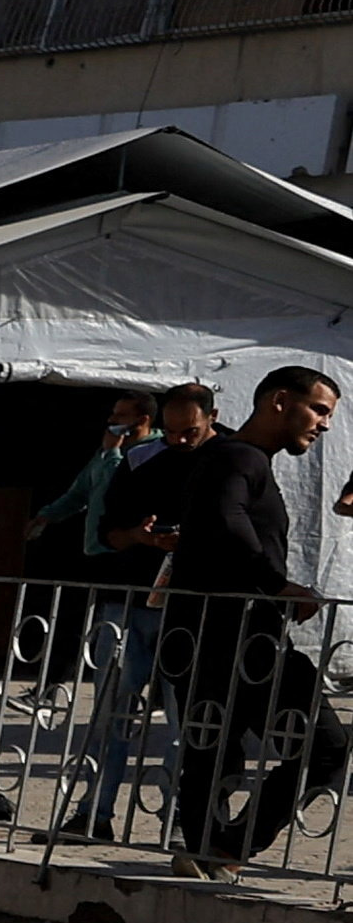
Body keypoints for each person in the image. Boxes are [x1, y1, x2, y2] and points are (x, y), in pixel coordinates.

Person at [115, 365, 339, 870]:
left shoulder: (230, 457)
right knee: (325, 746)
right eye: (319, 410)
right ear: (280, 400)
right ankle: (226, 847)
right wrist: (278, 585)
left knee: (212, 749)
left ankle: (205, 849)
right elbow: (226, 519)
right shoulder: (239, 457)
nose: (324, 424)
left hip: (205, 633)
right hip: (236, 637)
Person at [38, 388, 176, 843]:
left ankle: (181, 822)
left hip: (165, 602)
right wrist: (46, 517)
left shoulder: (172, 457)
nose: (112, 421)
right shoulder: (112, 457)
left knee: (181, 720)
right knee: (111, 713)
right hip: (116, 591)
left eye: (121, 415)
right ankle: (93, 812)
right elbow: (88, 501)